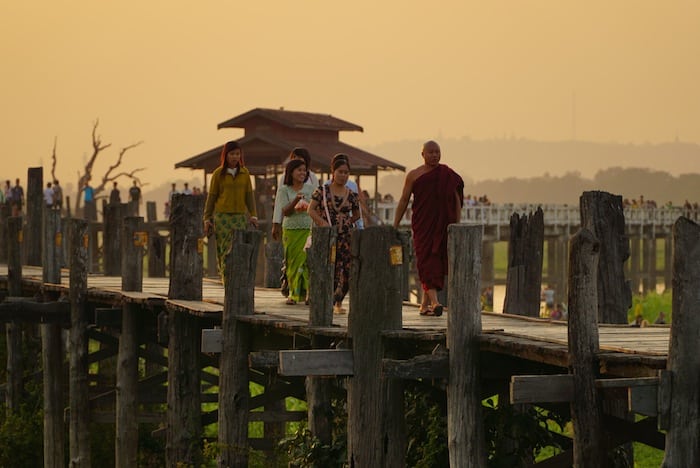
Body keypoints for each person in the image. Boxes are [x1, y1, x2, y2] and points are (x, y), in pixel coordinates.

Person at [393, 140, 464, 316]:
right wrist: (394, 224)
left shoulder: (447, 175)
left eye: (437, 152)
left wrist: (457, 223)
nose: (434, 155)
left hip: (443, 226)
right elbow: (403, 200)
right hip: (423, 225)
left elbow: (456, 198)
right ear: (422, 154)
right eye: (431, 152)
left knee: (436, 264)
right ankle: (435, 302)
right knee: (425, 262)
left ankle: (425, 306)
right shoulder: (414, 175)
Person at [308, 155, 360, 314]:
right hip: (327, 237)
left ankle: (338, 300)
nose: (343, 175)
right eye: (340, 172)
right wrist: (322, 223)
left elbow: (357, 214)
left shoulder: (351, 194)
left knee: (347, 269)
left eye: (346, 172)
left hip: (345, 237)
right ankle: (326, 301)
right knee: (329, 267)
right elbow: (311, 210)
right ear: (333, 172)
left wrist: (348, 221)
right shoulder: (322, 191)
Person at [203, 140, 259, 283]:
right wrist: (207, 217)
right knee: (223, 247)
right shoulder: (218, 174)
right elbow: (212, 197)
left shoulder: (245, 173)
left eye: (237, 154)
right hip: (222, 217)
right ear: (225, 155)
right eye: (232, 154)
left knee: (238, 246)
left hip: (239, 217)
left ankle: (236, 277)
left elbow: (249, 196)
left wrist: (253, 215)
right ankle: (225, 276)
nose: (235, 157)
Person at [272, 158, 315, 305]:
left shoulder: (310, 190)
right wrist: (296, 200)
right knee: (292, 262)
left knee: (306, 261)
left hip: (307, 228)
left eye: (304, 170)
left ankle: (308, 293)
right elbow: (285, 211)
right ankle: (293, 294)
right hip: (291, 229)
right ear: (291, 172)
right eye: (299, 170)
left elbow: (316, 208)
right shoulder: (284, 190)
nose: (302, 173)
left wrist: (307, 205)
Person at [272, 147, 318, 242]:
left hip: (308, 222)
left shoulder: (312, 178)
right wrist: (276, 223)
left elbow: (317, 201)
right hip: (290, 222)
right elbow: (279, 203)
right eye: (294, 158)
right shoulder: (284, 179)